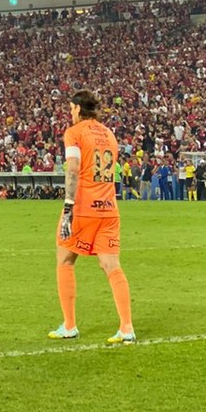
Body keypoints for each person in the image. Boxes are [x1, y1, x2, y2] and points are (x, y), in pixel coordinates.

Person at [49, 88, 135, 346]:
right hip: (109, 207)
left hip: (84, 207)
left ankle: (70, 325)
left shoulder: (73, 133)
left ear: (77, 109)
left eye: (71, 109)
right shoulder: (109, 134)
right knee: (111, 265)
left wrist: (67, 208)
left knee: (64, 259)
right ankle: (127, 328)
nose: (69, 113)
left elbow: (73, 169)